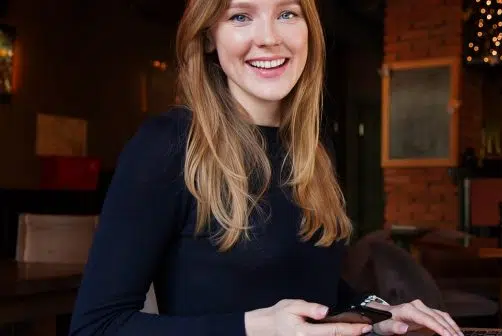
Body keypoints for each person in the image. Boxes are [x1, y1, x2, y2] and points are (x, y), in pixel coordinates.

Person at [69, 0, 463, 335]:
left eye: (287, 13)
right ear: (208, 36)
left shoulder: (313, 147)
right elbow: (97, 325)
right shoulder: (167, 146)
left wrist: (376, 313)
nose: (270, 37)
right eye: (240, 16)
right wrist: (252, 327)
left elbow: (309, 288)